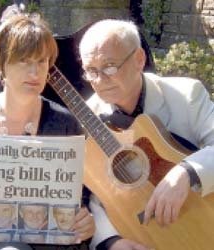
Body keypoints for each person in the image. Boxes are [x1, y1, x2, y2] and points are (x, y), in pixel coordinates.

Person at [79, 19, 214, 249]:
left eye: (110, 66)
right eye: (91, 71)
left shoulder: (187, 95)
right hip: (143, 236)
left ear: (139, 59)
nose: (100, 81)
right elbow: (96, 193)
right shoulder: (87, 117)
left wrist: (186, 173)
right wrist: (111, 241)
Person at [0, 13, 95, 250]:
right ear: (2, 63)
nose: (35, 73)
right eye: (24, 61)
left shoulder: (66, 124)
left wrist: (85, 221)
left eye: (42, 61)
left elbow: (81, 197)